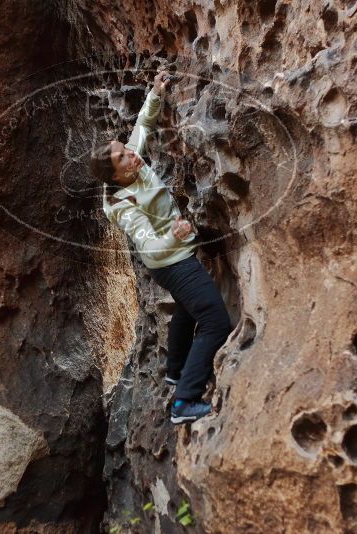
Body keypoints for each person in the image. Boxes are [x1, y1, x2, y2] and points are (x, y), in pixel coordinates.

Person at [89, 70, 233, 425]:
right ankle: (184, 401)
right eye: (123, 159)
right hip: (171, 262)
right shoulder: (122, 204)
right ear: (116, 176)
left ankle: (175, 369)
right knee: (215, 322)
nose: (131, 156)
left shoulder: (131, 164)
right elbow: (150, 249)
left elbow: (142, 126)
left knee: (187, 310)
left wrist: (155, 93)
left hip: (174, 256)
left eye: (126, 151)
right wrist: (177, 234)